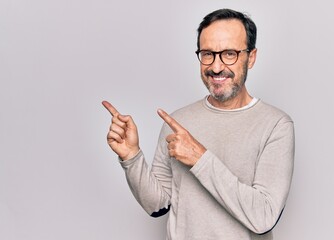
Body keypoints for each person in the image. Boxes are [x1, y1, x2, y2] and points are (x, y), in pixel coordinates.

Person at [102, 8, 294, 240]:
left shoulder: (276, 125)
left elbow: (263, 217)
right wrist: (131, 157)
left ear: (250, 57)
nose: (215, 67)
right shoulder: (178, 122)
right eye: (207, 54)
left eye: (229, 54)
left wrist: (199, 158)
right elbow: (158, 205)